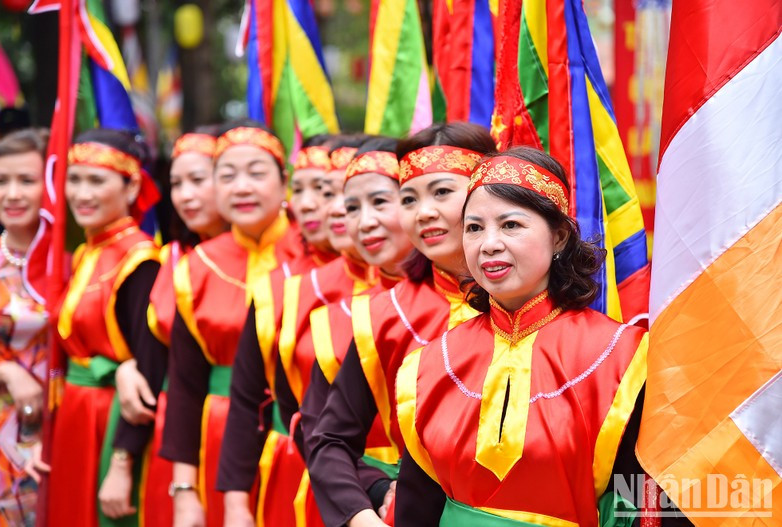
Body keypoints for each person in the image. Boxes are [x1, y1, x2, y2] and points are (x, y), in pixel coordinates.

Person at [393, 147, 647, 526]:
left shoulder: (623, 357)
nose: (489, 244)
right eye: (474, 228)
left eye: (510, 224)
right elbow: (416, 511)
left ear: (559, 237)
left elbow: (643, 502)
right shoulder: (429, 366)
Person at [306, 122, 495, 527]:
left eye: (442, 192)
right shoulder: (385, 316)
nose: (424, 212)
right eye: (409, 198)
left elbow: (627, 482)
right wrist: (363, 514)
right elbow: (327, 438)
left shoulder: (559, 317)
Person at [218, 136, 411, 527]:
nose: (326, 206)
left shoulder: (459, 303)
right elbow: (262, 403)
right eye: (338, 197)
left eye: (377, 201)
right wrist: (235, 500)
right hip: (329, 482)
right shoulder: (296, 294)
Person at [160, 120, 304, 527]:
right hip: (219, 437)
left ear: (284, 181)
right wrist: (184, 490)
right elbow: (186, 385)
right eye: (227, 176)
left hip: (300, 439)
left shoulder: (313, 254)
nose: (242, 187)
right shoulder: (197, 267)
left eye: (256, 173)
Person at [45, 128, 163, 526]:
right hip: (77, 414)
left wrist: (122, 461)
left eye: (97, 181)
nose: (82, 193)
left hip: (112, 419)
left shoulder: (140, 260)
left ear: (132, 188)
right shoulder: (87, 252)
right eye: (74, 180)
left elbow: (149, 368)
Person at [111, 130, 228, 527]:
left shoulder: (265, 263)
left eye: (198, 180)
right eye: (176, 184)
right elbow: (153, 354)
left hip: (235, 431)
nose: (185, 195)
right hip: (170, 436)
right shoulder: (173, 259)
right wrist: (126, 366)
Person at [0, 128, 49, 526]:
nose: (12, 194)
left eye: (26, 181)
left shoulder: (77, 263)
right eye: (0, 181)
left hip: (60, 435)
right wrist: (7, 371)